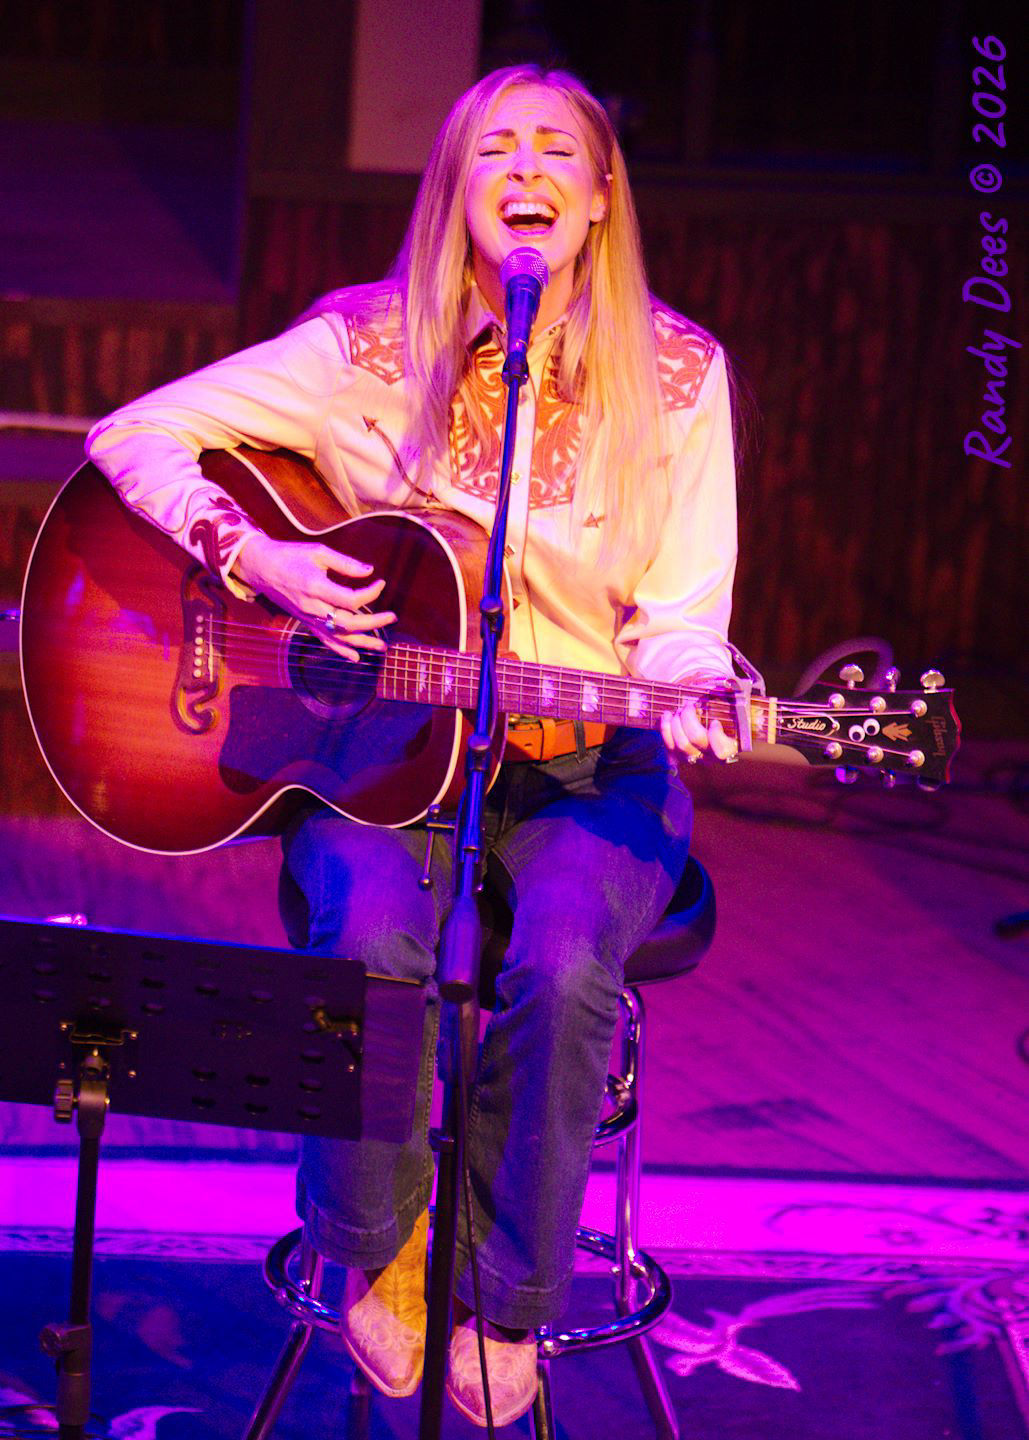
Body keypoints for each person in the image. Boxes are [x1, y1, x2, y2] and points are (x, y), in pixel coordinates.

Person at [86, 64, 739, 1428]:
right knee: (375, 940)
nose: (524, 167)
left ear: (601, 195)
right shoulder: (359, 349)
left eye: (555, 148)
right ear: (453, 190)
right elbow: (133, 432)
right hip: (380, 750)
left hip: (585, 768)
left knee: (560, 966)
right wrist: (254, 553)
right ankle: (372, 1243)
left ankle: (509, 1300)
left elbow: (678, 615)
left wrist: (696, 677)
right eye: (490, 146)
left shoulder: (678, 376)